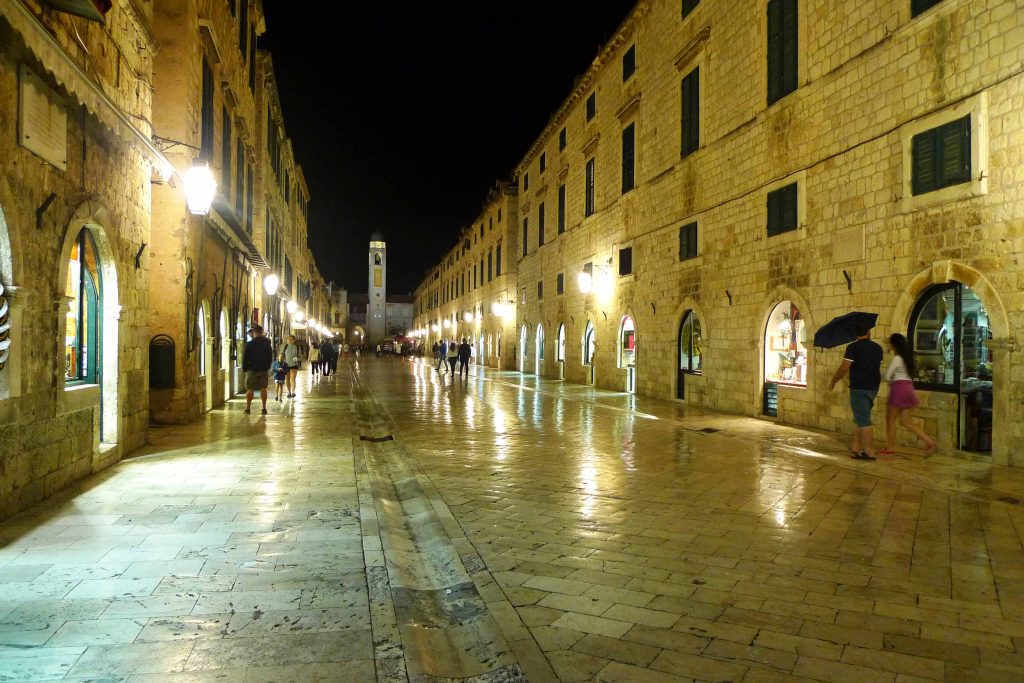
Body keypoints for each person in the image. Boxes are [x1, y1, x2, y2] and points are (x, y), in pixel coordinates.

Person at [828, 321, 883, 460]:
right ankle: (856, 448)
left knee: (863, 420)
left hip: (859, 387)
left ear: (855, 334)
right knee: (860, 416)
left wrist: (834, 380)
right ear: (869, 332)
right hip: (873, 387)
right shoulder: (878, 348)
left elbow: (844, 368)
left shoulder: (852, 348)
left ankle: (869, 451)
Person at [879, 333, 936, 455]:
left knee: (890, 419)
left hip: (898, 388)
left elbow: (888, 376)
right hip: (908, 388)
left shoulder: (897, 359)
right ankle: (929, 441)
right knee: (906, 421)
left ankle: (890, 447)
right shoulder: (907, 358)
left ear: (894, 345)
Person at [242, 325, 273, 414]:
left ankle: (248, 408)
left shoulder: (250, 344)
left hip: (252, 369)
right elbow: (270, 357)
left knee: (250, 389)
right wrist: (267, 366)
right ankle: (264, 407)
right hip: (263, 369)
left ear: (254, 332)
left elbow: (245, 357)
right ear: (261, 332)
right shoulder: (267, 344)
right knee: (263, 388)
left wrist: (245, 368)